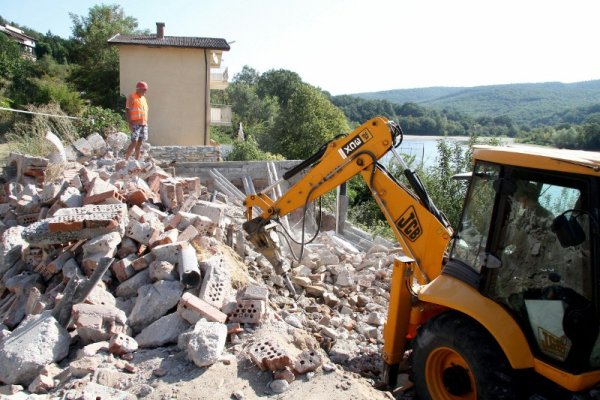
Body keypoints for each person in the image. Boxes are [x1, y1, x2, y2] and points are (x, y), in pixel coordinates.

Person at [124, 81, 149, 161]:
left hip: (143, 123)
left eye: (146, 90)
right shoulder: (132, 96)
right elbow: (127, 110)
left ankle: (137, 160)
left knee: (140, 142)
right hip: (135, 123)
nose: (145, 91)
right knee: (134, 141)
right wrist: (130, 122)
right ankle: (126, 160)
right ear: (139, 89)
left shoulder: (143, 99)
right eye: (144, 90)